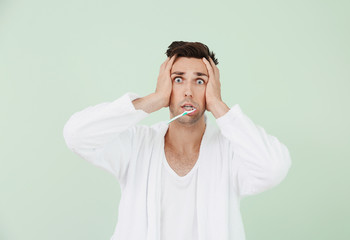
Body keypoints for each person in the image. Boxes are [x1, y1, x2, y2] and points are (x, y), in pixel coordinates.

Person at [63, 41, 292, 240]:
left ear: (212, 88)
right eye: (178, 79)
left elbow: (273, 168)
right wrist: (153, 100)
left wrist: (219, 106)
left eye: (200, 81)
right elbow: (76, 135)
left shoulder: (231, 151)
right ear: (166, 84)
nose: (188, 91)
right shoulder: (137, 145)